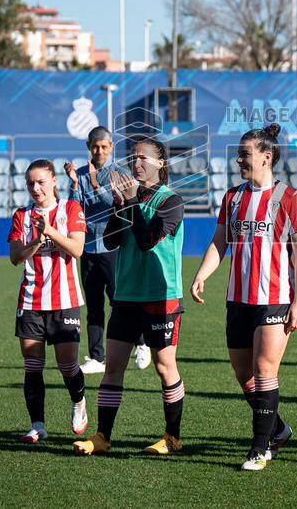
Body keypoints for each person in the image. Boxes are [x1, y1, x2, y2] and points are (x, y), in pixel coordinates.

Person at [189, 124, 297, 471]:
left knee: (265, 370)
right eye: (239, 154)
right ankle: (279, 429)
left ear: (266, 157)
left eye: (244, 154)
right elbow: (219, 242)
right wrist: (202, 274)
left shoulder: (290, 199)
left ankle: (259, 449)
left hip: (275, 299)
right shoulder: (233, 198)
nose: (238, 160)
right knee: (245, 376)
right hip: (238, 300)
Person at [73, 137, 187, 457]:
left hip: (161, 297)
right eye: (133, 157)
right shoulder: (128, 198)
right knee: (113, 367)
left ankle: (172, 437)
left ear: (160, 164)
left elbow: (148, 239)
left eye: (143, 158)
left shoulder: (171, 200)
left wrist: (132, 202)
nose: (136, 163)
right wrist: (120, 204)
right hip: (125, 295)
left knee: (164, 367)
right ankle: (102, 436)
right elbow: (111, 241)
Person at [8, 159, 88, 444]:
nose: (35, 188)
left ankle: (78, 401)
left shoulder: (71, 209)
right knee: (32, 365)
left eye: (41, 182)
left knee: (67, 365)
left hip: (65, 299)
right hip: (31, 300)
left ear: (54, 181)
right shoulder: (21, 216)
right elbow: (15, 257)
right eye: (30, 183)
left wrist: (51, 231)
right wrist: (36, 242)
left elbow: (77, 249)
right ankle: (37, 425)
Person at [65, 127, 151, 374]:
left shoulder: (121, 173)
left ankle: (142, 343)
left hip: (113, 247)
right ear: (88, 147)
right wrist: (74, 184)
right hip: (88, 248)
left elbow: (116, 206)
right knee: (93, 306)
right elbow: (74, 209)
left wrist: (95, 184)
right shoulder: (79, 174)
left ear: (111, 147)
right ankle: (96, 358)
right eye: (95, 146)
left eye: (104, 146)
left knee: (121, 301)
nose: (99, 151)